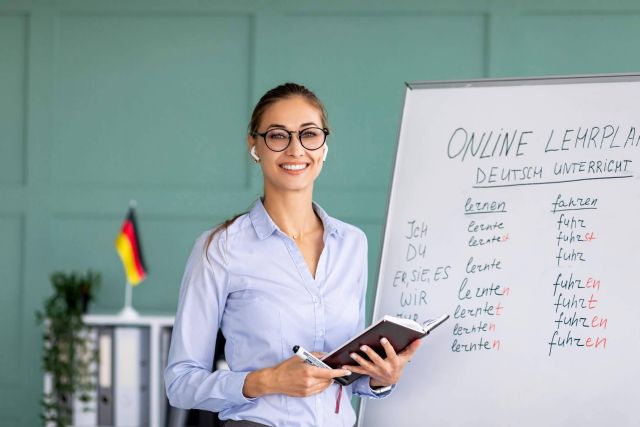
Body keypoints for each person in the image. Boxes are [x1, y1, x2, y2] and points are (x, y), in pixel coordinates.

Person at [164, 83, 421, 426]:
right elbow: (180, 383)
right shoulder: (220, 248)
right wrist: (269, 380)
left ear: (324, 147)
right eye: (277, 135)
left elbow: (347, 374)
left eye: (309, 134)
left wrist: (381, 378)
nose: (296, 149)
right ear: (254, 146)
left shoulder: (352, 244)